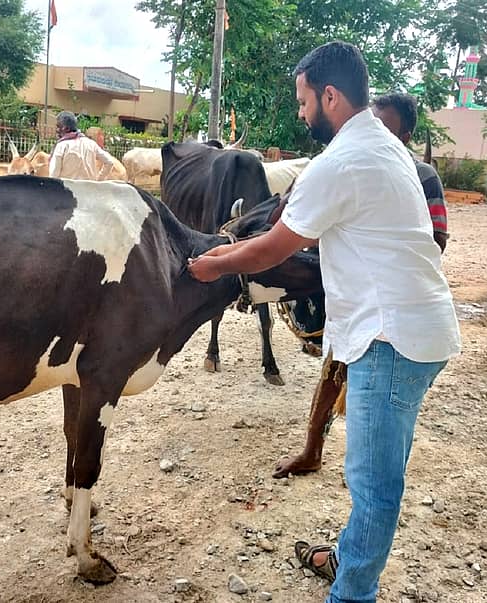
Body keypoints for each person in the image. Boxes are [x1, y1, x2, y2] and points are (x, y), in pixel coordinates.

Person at [188, 42, 461, 603]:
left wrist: (214, 260)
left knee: (374, 484)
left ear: (329, 96)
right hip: (416, 330)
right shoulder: (386, 146)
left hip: (390, 340)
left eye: (303, 100)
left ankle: (351, 592)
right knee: (377, 472)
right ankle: (349, 559)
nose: (300, 112)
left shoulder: (338, 163)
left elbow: (272, 249)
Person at [272, 92, 451, 481]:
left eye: (385, 124)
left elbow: (437, 238)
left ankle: (366, 472)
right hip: (347, 293)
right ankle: (313, 450)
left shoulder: (420, 175)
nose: (373, 129)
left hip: (384, 305)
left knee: (373, 406)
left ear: (404, 135)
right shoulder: (349, 161)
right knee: (331, 368)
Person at [371, 93, 449, 252]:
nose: (371, 136)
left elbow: (438, 240)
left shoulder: (424, 176)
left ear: (404, 138)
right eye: (369, 128)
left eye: (382, 132)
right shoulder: (350, 170)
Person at [48, 111, 116, 180]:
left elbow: (54, 174)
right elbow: (109, 162)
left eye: (58, 127)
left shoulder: (62, 146)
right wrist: (98, 180)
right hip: (89, 189)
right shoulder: (91, 144)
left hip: (66, 189)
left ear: (66, 128)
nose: (57, 130)